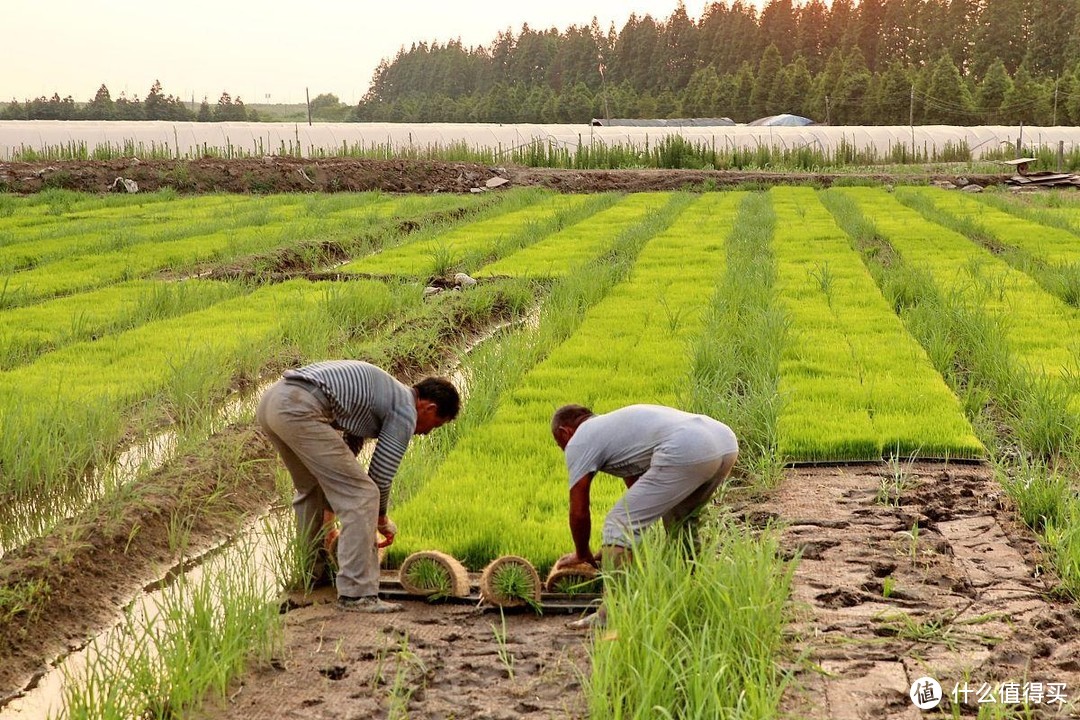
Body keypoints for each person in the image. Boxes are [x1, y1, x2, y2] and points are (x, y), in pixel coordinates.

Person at [257, 360, 460, 613]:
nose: (428, 432)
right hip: (301, 408)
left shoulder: (385, 394)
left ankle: (313, 578)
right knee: (364, 495)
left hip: (274, 402)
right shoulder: (405, 410)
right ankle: (356, 594)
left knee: (313, 492)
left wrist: (330, 512)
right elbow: (380, 476)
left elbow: (347, 452)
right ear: (429, 408)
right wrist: (382, 519)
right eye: (437, 425)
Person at [551, 403, 739, 627]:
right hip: (723, 441)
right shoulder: (615, 429)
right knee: (681, 524)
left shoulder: (580, 440)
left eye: (559, 443)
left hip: (687, 446)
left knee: (618, 523)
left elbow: (579, 509)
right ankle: (690, 595)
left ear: (565, 432)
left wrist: (582, 554)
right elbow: (642, 494)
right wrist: (612, 550)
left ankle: (612, 614)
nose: (562, 449)